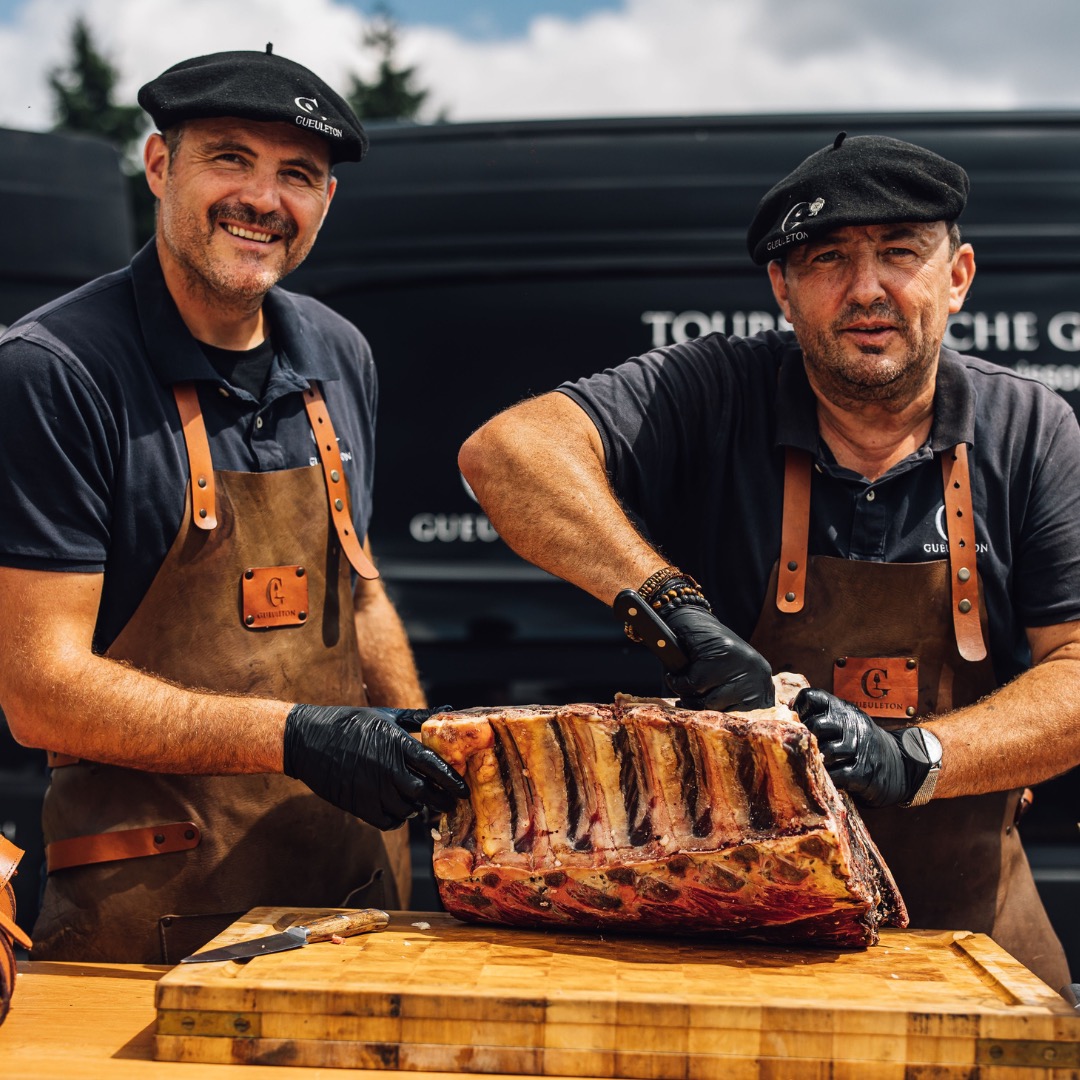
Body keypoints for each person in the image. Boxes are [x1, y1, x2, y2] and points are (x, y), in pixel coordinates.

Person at [458, 132, 1080, 990]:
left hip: (973, 927)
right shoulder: (713, 390)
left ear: (958, 277)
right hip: (738, 934)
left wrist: (916, 758)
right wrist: (674, 605)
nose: (867, 290)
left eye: (901, 253)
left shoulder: (1034, 429)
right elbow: (506, 453)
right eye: (828, 260)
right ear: (782, 290)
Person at [0, 46, 467, 964]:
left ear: (325, 203)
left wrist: (420, 745)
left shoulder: (340, 352)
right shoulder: (52, 373)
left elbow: (360, 594)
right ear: (160, 165)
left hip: (353, 902)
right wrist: (300, 738)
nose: (263, 198)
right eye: (229, 158)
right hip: (149, 928)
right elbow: (38, 692)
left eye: (298, 174)